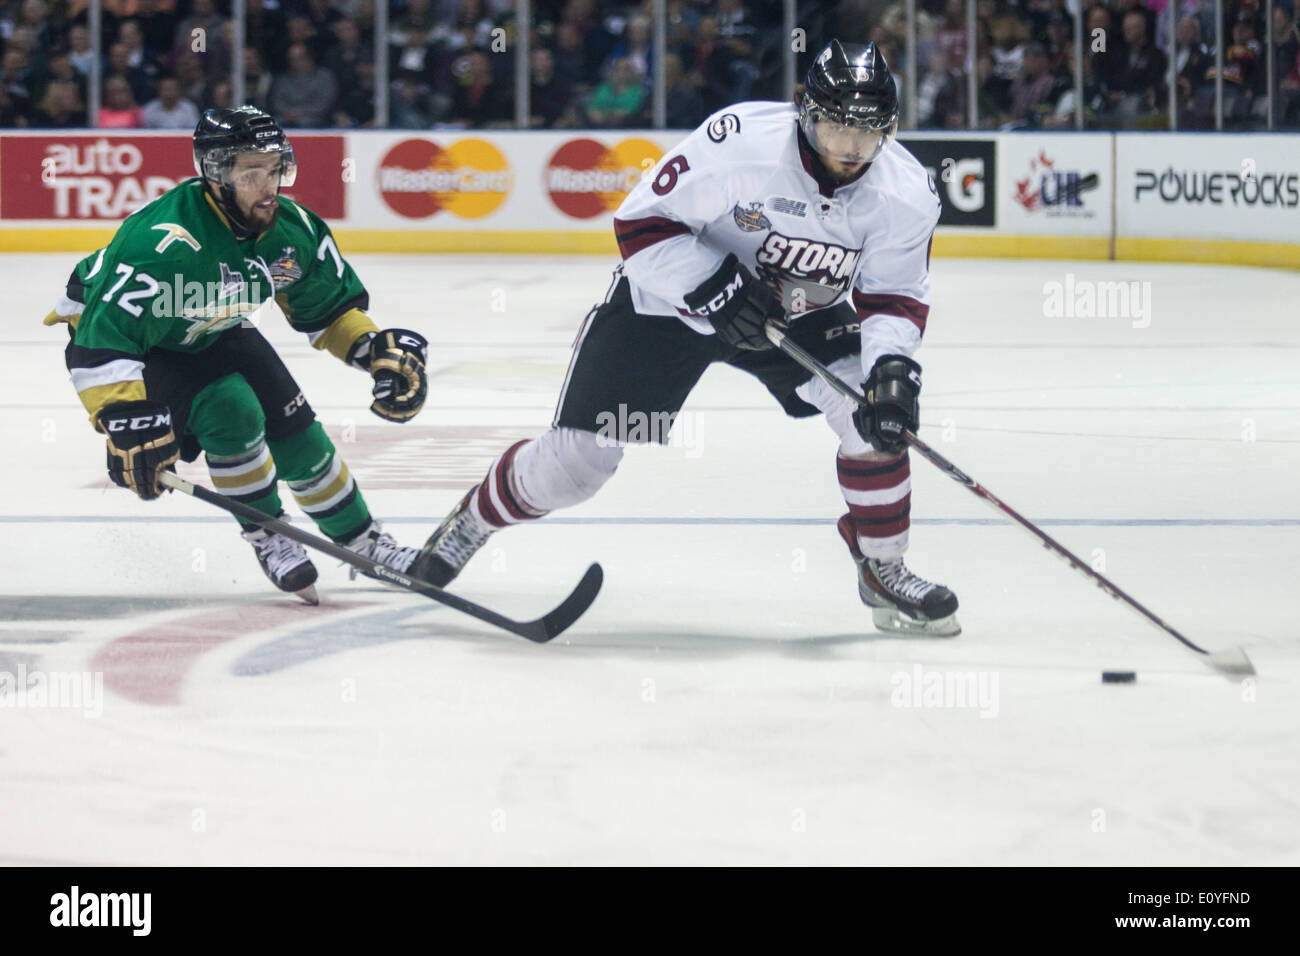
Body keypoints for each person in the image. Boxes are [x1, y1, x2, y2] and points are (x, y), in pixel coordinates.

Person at [411, 41, 961, 637]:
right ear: (807, 113)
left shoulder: (905, 192)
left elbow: (893, 297)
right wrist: (718, 291)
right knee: (579, 466)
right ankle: (473, 520)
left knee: (871, 416)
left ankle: (883, 566)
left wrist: (892, 372)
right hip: (671, 304)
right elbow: (641, 225)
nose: (849, 152)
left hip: (798, 312)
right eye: (835, 131)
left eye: (867, 136)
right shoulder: (739, 143)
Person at [44, 107, 429, 604]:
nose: (268, 185)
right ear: (216, 175)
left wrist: (373, 352)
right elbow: (104, 338)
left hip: (213, 324)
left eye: (274, 168)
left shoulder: (294, 231)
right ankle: (267, 531)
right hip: (145, 346)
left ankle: (363, 540)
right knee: (234, 413)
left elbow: (328, 311)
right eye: (252, 172)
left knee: (298, 432)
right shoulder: (162, 245)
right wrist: (122, 414)